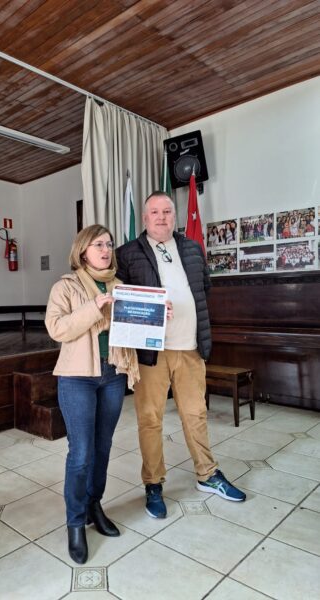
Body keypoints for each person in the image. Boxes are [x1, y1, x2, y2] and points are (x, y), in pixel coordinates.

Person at [116, 191, 246, 519]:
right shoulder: (127, 253)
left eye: (167, 211)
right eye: (154, 212)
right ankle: (153, 483)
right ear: (144, 218)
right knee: (150, 419)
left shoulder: (191, 248)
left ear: (174, 216)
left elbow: (204, 289)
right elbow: (121, 301)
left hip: (190, 348)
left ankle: (207, 474)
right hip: (152, 354)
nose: (161, 217)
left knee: (196, 414)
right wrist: (152, 310)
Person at [45, 224, 139, 564]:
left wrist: (158, 316)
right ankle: (75, 523)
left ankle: (93, 505)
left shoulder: (121, 286)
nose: (106, 250)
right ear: (82, 251)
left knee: (102, 448)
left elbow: (134, 327)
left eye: (109, 244)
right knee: (81, 453)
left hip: (112, 374)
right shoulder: (65, 286)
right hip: (77, 378)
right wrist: (94, 307)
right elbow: (57, 328)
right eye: (98, 244)